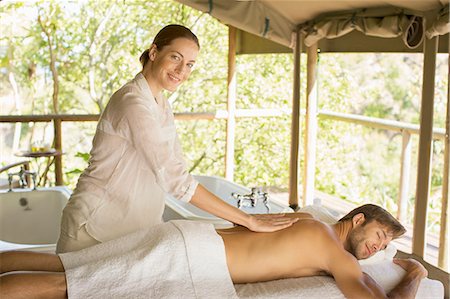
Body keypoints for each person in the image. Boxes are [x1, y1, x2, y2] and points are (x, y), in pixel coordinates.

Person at [56, 24, 298, 253]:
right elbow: (174, 179)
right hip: (94, 228)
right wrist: (246, 219)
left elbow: (178, 167)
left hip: (130, 230)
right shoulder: (132, 103)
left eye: (190, 64)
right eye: (175, 57)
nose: (182, 71)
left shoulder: (160, 103)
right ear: (153, 52)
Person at [1, 204, 428, 298]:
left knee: (65, 264)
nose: (378, 248)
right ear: (357, 220)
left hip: (186, 235)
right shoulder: (334, 251)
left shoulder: (305, 217)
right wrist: (416, 274)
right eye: (378, 235)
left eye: (386, 246)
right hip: (188, 257)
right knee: (67, 284)